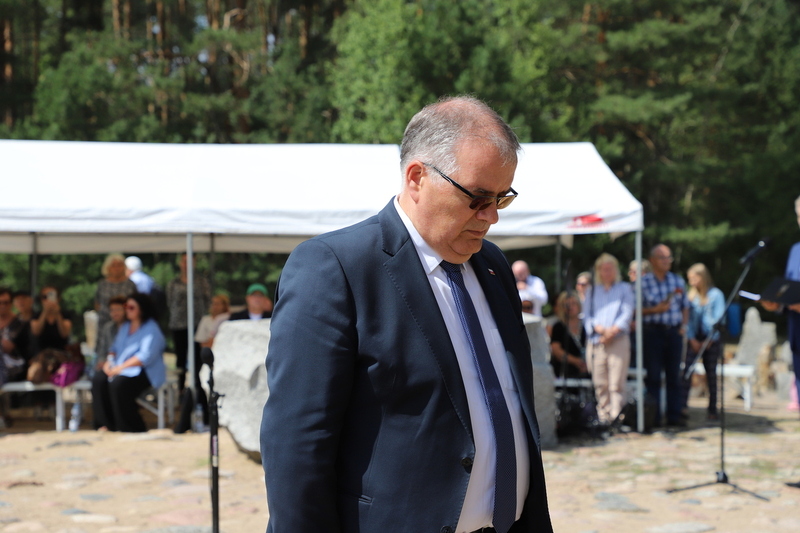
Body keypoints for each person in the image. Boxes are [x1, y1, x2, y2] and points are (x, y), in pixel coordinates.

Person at [260, 96, 552, 533]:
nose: (491, 216)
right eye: (477, 197)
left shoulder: (493, 266)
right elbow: (297, 446)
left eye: (502, 199)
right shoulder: (336, 268)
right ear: (417, 178)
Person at [91, 293, 166, 432]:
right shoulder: (125, 326)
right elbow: (114, 348)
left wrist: (120, 368)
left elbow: (145, 356)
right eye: (126, 307)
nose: (127, 310)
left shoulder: (152, 328)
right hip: (121, 367)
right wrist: (109, 363)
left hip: (144, 371)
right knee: (99, 379)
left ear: (142, 309)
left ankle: (130, 426)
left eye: (131, 307)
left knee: (119, 384)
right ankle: (105, 424)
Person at [641, 243, 690, 427]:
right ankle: (653, 417)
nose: (667, 261)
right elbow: (636, 311)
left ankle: (674, 417)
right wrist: (655, 310)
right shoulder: (643, 283)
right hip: (653, 332)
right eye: (663, 258)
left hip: (674, 332)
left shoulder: (677, 280)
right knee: (653, 376)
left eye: (669, 257)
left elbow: (685, 306)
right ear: (653, 261)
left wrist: (683, 326)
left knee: (674, 376)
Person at [583, 253, 634, 424]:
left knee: (616, 383)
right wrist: (600, 331)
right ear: (598, 271)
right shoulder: (592, 290)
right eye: (603, 269)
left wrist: (611, 332)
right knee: (600, 383)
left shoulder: (624, 288)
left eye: (610, 269)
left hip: (617, 340)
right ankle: (603, 417)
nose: (607, 272)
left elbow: (627, 314)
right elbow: (587, 316)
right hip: (597, 342)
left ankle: (617, 417)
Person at [683, 263, 725, 421]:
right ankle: (682, 406)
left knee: (711, 374)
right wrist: (692, 339)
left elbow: (719, 318)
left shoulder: (716, 295)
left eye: (694, 278)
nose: (691, 282)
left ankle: (713, 409)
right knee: (687, 372)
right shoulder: (690, 295)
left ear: (702, 277)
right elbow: (687, 320)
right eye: (689, 279)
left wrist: (710, 340)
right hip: (694, 338)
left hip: (711, 340)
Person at [166, 253, 211, 390]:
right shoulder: (173, 283)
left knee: (198, 359)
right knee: (180, 358)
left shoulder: (201, 281)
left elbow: (207, 300)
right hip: (178, 325)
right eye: (185, 261)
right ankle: (181, 390)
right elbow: (169, 302)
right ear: (180, 263)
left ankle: (198, 388)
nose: (187, 265)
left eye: (191, 262)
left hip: (197, 324)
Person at [549, 291, 589, 378]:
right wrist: (577, 362)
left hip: (589, 367)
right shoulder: (558, 326)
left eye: (573, 303)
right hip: (566, 370)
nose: (570, 307)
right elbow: (557, 351)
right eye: (566, 305)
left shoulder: (587, 324)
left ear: (579, 305)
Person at [95, 253, 138, 335]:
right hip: (105, 321)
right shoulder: (102, 284)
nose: (117, 268)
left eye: (119, 265)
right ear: (108, 268)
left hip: (125, 323)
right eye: (113, 265)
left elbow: (134, 304)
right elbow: (97, 303)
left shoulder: (130, 285)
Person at [30, 285, 73, 354]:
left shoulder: (65, 315)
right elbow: (36, 332)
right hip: (40, 354)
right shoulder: (36, 315)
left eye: (51, 296)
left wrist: (57, 314)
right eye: (44, 297)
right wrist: (45, 312)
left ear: (58, 298)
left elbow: (64, 333)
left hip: (61, 354)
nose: (47, 300)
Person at [94, 295, 128, 372]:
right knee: (98, 378)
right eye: (112, 310)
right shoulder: (108, 328)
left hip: (125, 365)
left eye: (118, 309)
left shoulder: (132, 327)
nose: (115, 313)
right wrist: (102, 362)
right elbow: (102, 350)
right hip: (110, 364)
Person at [0, 287, 26, 383]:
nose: (2, 306)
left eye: (6, 303)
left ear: (11, 303)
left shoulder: (19, 322)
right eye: (0, 302)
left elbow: (7, 347)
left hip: (14, 366)